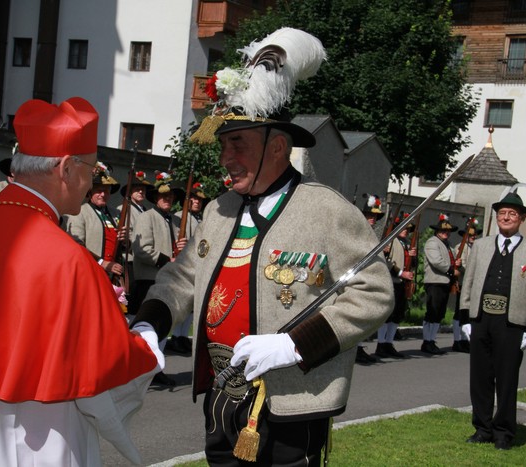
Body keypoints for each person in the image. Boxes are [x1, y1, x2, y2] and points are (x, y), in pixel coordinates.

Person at [131, 27, 393, 465]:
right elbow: (182, 278)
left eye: (237, 143)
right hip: (222, 394)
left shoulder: (327, 210)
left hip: (291, 402)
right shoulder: (218, 209)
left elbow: (375, 293)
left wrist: (295, 345)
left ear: (278, 146)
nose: (225, 157)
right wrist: (149, 324)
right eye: (223, 144)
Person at [0, 97, 162, 466]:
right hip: (33, 431)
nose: (90, 184)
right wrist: (148, 342)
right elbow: (103, 376)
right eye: (90, 170)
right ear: (66, 168)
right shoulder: (68, 259)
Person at [459, 192, 526, 450]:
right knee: (480, 378)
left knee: (507, 380)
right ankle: (482, 429)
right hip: (481, 320)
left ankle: (503, 432)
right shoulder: (481, 246)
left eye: (512, 214)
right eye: (502, 213)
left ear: (521, 218)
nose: (506, 217)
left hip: (512, 325)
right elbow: (468, 283)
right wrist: (465, 318)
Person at [132, 172, 186, 386]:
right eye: (164, 196)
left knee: (163, 325)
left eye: (170, 196)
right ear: (155, 198)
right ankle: (142, 368)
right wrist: (167, 260)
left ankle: (156, 367)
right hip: (149, 279)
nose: (168, 199)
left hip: (167, 279)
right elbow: (141, 249)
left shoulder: (174, 220)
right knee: (147, 327)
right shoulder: (146, 217)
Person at [166, 181, 210, 355]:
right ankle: (176, 336)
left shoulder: (200, 219)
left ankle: (183, 336)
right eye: (194, 199)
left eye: (200, 200)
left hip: (195, 264)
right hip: (183, 264)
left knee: (192, 304)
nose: (197, 202)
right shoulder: (179, 216)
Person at [65, 160, 127, 279]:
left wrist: (125, 241)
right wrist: (101, 262)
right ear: (90, 192)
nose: (103, 194)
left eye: (106, 191)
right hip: (89, 272)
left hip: (113, 275)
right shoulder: (79, 212)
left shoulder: (116, 213)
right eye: (99, 190)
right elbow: (76, 246)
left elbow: (125, 248)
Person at [376, 216, 416, 359]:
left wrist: (413, 256)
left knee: (397, 314)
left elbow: (412, 264)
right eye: (403, 228)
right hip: (391, 280)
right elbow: (387, 262)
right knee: (388, 314)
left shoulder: (407, 243)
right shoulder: (391, 241)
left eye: (408, 229)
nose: (406, 231)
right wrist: (400, 273)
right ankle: (381, 344)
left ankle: (389, 343)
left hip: (402, 283)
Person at [421, 213, 461, 355]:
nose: (446, 233)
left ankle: (432, 340)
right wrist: (451, 270)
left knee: (439, 313)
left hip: (444, 282)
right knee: (432, 312)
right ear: (437, 231)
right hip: (435, 281)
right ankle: (427, 341)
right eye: (443, 230)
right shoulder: (432, 242)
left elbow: (450, 259)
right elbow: (436, 261)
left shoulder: (447, 245)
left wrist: (456, 262)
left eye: (448, 231)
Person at [117, 170, 152, 316]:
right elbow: (126, 233)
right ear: (130, 192)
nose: (141, 192)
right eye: (137, 189)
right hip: (130, 259)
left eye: (143, 189)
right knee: (130, 299)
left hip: (144, 259)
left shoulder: (145, 211)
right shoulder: (123, 209)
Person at [355, 194, 385, 364]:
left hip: (367, 275)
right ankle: (355, 349)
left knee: (364, 312)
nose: (373, 218)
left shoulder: (372, 233)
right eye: (369, 215)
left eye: (374, 216)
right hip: (356, 276)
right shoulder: (357, 230)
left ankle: (359, 347)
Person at [451, 220, 482, 353]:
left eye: (474, 235)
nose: (473, 237)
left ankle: (465, 339)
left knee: (469, 313)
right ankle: (457, 340)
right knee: (460, 312)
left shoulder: (476, 248)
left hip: (473, 285)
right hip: (463, 283)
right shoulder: (460, 247)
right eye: (470, 235)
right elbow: (462, 266)